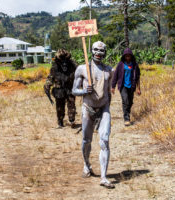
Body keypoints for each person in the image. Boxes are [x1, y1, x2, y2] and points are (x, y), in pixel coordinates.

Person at [72, 41, 114, 189]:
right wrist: (84, 91)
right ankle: (86, 164)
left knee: (104, 140)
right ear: (91, 51)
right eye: (96, 50)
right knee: (86, 140)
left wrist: (106, 107)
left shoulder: (109, 71)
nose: (98, 53)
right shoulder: (82, 69)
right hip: (88, 108)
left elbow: (109, 92)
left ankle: (103, 176)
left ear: (105, 53)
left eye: (102, 51)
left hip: (103, 108)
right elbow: (74, 90)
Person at [44, 49, 77, 128]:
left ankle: (71, 120)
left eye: (65, 59)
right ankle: (60, 121)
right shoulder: (55, 67)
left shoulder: (72, 65)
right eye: (62, 59)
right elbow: (50, 77)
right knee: (59, 107)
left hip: (70, 88)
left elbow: (79, 74)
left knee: (71, 105)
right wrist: (47, 85)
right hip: (59, 89)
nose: (64, 62)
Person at [111, 48, 141, 126]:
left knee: (130, 102)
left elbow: (138, 77)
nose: (127, 58)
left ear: (131, 56)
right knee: (125, 101)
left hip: (132, 86)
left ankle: (127, 112)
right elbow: (115, 76)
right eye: (126, 56)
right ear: (124, 56)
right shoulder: (121, 64)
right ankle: (126, 118)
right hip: (123, 85)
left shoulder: (134, 65)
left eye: (129, 56)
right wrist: (113, 86)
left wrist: (138, 88)